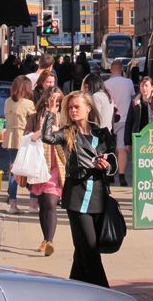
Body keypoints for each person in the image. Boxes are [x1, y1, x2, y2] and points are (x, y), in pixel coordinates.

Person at [41, 91, 117, 287]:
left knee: (82, 254)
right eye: (70, 107)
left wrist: (106, 166)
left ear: (88, 109)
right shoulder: (68, 132)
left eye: (77, 107)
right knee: (89, 250)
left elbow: (113, 164)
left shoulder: (102, 133)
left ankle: (74, 290)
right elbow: (47, 137)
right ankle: (105, 294)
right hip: (77, 197)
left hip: (98, 196)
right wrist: (51, 111)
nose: (73, 111)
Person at [25, 86, 66, 257]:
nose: (55, 104)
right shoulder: (35, 117)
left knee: (50, 203)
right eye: (52, 101)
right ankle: (45, 238)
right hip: (39, 165)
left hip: (58, 166)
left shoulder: (65, 118)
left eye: (58, 101)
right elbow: (27, 137)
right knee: (43, 205)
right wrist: (42, 130)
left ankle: (49, 241)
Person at [2, 76, 36, 214]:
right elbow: (34, 119)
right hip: (25, 137)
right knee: (31, 169)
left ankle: (12, 204)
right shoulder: (28, 103)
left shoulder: (7, 101)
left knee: (13, 170)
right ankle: (33, 204)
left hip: (11, 137)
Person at [103, 59, 135, 187]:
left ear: (111, 69)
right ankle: (121, 176)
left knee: (109, 148)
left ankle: (110, 174)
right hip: (124, 119)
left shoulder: (105, 84)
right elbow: (133, 99)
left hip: (109, 120)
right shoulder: (128, 82)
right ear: (122, 70)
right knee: (122, 149)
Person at [124, 77, 153, 150]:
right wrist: (128, 142)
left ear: (152, 87)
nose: (144, 88)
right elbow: (129, 122)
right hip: (139, 137)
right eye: (142, 85)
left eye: (146, 85)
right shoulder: (135, 101)